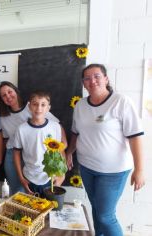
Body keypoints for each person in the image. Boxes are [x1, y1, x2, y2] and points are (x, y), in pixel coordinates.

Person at [66, 64, 145, 236]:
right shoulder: (80, 105)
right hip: (87, 168)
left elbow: (135, 137)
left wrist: (139, 170)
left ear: (106, 79)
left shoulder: (121, 102)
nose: (92, 81)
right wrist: (68, 153)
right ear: (83, 84)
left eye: (96, 76)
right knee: (96, 209)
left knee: (105, 216)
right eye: (87, 78)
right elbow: (75, 133)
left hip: (113, 171)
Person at [0, 81, 59, 194]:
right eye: (3, 95)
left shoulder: (33, 106)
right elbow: (4, 138)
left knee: (35, 189)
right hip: (13, 153)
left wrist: (63, 152)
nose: (8, 96)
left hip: (34, 152)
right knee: (17, 191)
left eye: (9, 92)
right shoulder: (3, 115)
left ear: (16, 91)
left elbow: (55, 128)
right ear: (1, 99)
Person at [13, 91, 66, 196]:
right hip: (29, 177)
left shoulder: (55, 127)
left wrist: (62, 174)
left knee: (50, 209)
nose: (39, 108)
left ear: (48, 108)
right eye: (35, 104)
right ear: (29, 106)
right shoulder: (21, 129)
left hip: (50, 178)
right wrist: (21, 178)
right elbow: (16, 154)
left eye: (43, 104)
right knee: (32, 209)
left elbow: (60, 151)